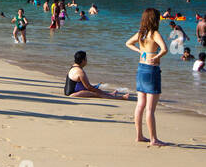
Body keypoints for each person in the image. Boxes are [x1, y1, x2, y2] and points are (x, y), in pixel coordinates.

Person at [124, 8, 167, 145]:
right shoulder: (154, 34)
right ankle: (153, 139)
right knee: (150, 108)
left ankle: (139, 135)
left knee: (140, 105)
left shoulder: (141, 33)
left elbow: (128, 43)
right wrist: (157, 56)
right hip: (151, 69)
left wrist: (140, 51)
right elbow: (165, 49)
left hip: (141, 68)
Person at [64, 51, 133, 100]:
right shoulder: (80, 72)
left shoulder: (73, 67)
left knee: (96, 90)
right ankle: (120, 98)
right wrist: (99, 91)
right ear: (83, 60)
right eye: (86, 59)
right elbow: (89, 88)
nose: (87, 61)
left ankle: (110, 95)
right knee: (96, 93)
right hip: (72, 94)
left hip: (68, 92)